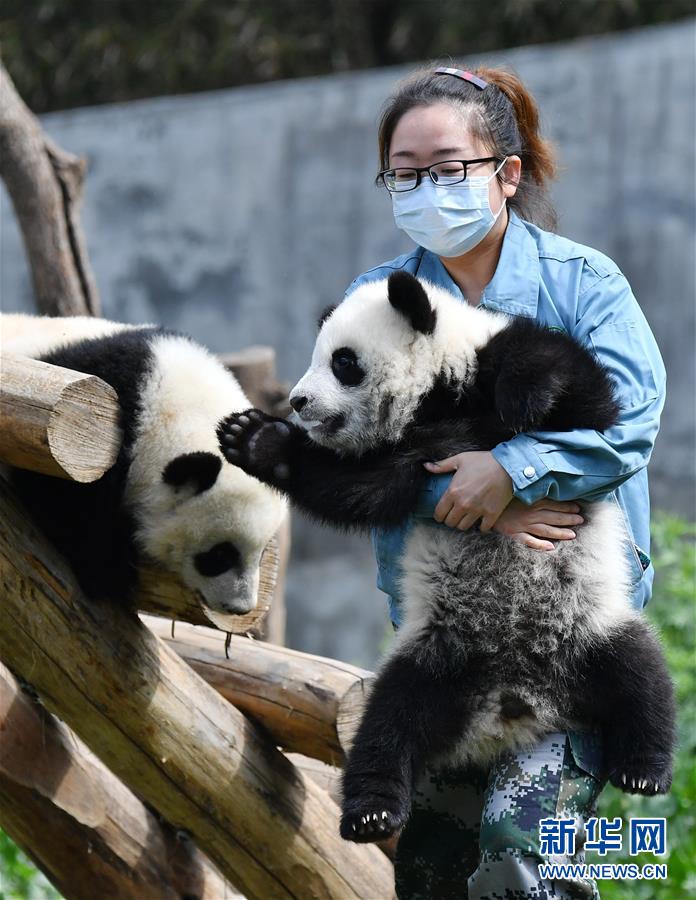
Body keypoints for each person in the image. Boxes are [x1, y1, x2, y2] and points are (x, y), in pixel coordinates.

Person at [344, 65, 666, 900]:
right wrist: (476, 505)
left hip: (572, 641)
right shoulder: (374, 301)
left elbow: (631, 420)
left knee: (524, 855)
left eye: (447, 167)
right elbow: (346, 450)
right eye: (404, 172)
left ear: (507, 173)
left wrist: (515, 471)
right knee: (434, 876)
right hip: (448, 646)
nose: (425, 188)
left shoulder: (582, 285)